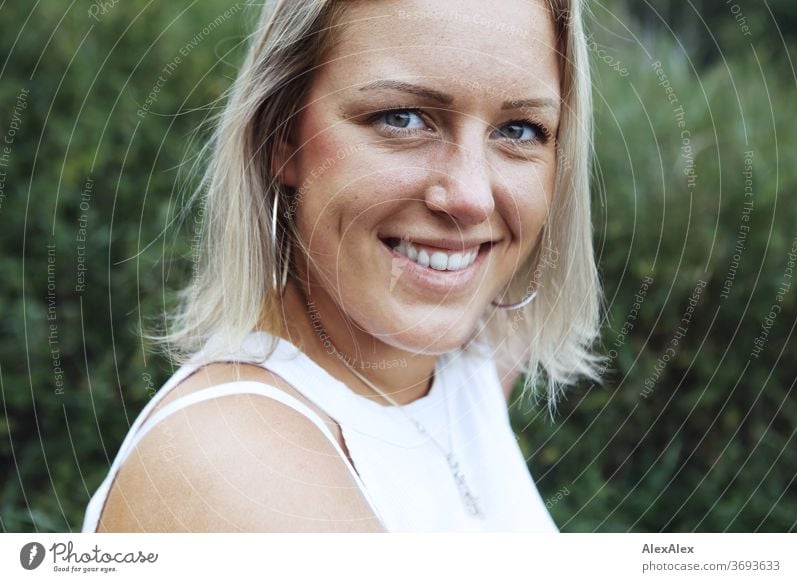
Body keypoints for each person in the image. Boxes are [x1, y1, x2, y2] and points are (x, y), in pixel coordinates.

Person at [82, 0, 603, 532]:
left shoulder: (465, 362)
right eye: (401, 118)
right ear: (281, 134)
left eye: (519, 130)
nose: (471, 198)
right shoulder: (240, 466)